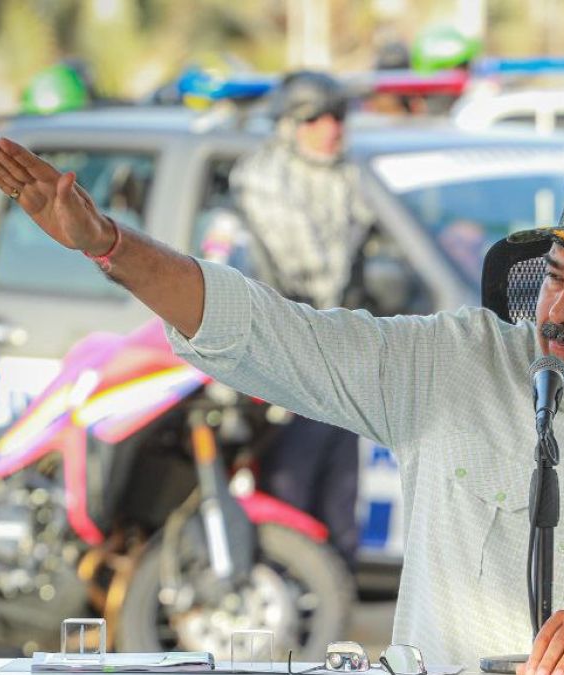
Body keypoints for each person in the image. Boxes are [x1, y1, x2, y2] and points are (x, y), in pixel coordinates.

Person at [0, 132, 564, 669]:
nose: (558, 310)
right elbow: (264, 332)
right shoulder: (453, 362)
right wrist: (110, 246)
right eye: (555, 276)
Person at [224, 70, 376, 573]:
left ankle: (333, 590)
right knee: (290, 497)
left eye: (339, 116)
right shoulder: (262, 181)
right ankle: (291, 589)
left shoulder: (353, 178)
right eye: (316, 118)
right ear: (289, 125)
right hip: (282, 360)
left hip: (339, 358)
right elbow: (301, 273)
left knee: (339, 503)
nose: (331, 128)